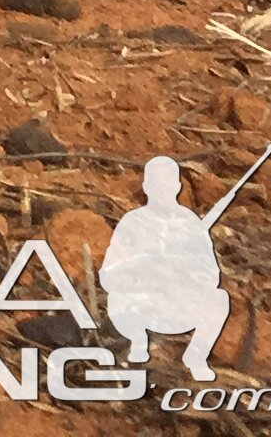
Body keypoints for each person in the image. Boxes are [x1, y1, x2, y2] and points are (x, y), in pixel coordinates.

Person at [101, 156, 234, 380]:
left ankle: (196, 357)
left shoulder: (190, 223)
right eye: (156, 184)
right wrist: (144, 268)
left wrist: (186, 274)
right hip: (140, 304)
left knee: (219, 299)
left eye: (168, 184)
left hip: (177, 303)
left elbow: (210, 274)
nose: (162, 190)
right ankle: (137, 346)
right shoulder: (132, 222)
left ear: (178, 186)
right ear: (146, 187)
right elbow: (108, 275)